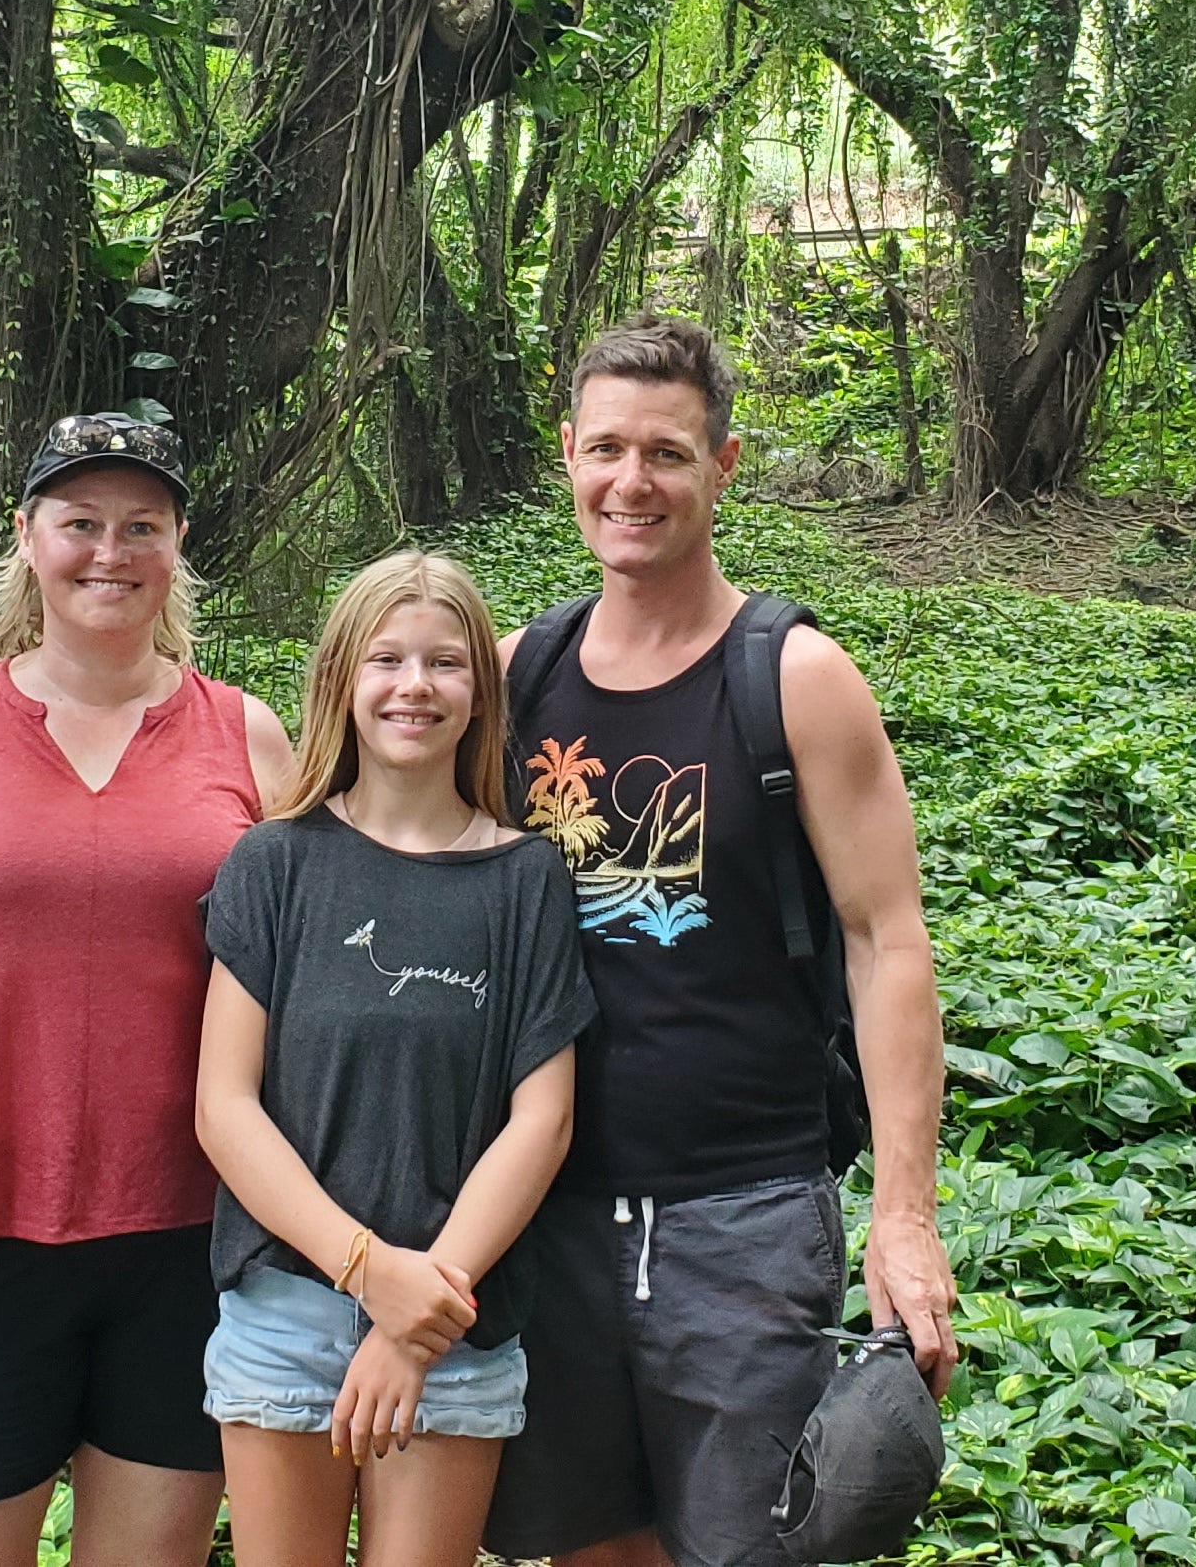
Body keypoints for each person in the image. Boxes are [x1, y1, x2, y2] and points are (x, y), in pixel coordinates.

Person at [480, 317, 960, 1567]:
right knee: (587, 1544)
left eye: (668, 454)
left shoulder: (793, 676)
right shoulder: (516, 673)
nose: (630, 483)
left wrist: (903, 1214)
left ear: (724, 465)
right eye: (605, 450)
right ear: (565, 457)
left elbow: (888, 941)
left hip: (743, 1214)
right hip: (550, 1212)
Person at [0, 413, 296, 1567]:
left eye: (142, 526)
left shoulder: (250, 737)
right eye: (80, 522)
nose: (109, 552)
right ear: (28, 536)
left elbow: (310, 982)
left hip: (184, 1230)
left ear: (177, 545)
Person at [194, 552, 595, 1567]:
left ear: (480, 693)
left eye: (444, 664)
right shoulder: (273, 862)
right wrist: (369, 1276)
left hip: (456, 1320)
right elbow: (225, 1107)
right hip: (288, 1307)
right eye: (386, 660)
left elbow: (540, 1120)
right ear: (340, 681)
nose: (414, 685)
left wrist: (421, 1311)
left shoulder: (526, 882)